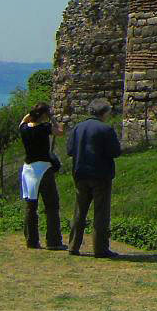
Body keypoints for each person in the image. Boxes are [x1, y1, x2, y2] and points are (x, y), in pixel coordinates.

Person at [65, 97, 123, 259]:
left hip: (80, 173)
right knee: (101, 212)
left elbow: (70, 150)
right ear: (103, 113)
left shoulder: (77, 128)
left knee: (79, 211)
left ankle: (73, 245)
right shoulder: (106, 130)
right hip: (100, 175)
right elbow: (115, 152)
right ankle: (100, 248)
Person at [18, 102, 64, 250]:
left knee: (31, 207)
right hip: (43, 168)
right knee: (51, 205)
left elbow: (23, 121)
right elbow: (60, 131)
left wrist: (32, 114)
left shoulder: (24, 129)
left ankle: (31, 241)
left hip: (28, 168)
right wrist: (52, 118)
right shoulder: (44, 128)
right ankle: (53, 241)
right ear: (44, 115)